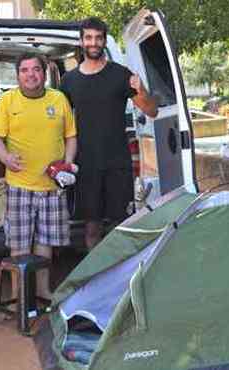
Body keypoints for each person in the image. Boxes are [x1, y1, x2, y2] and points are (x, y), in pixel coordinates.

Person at [60, 17, 158, 250]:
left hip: (117, 162)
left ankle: (121, 279)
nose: (93, 43)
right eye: (89, 38)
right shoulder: (69, 81)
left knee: (120, 224)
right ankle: (94, 278)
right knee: (92, 228)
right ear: (81, 41)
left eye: (98, 38)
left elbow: (151, 110)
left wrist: (141, 90)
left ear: (104, 41)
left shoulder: (121, 74)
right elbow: (59, 124)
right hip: (86, 164)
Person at [0, 54, 77, 301]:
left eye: (36, 69)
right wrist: (5, 158)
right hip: (19, 186)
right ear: (18, 75)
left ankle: (42, 290)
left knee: (45, 243)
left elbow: (71, 136)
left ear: (44, 73)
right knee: (19, 244)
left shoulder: (58, 99)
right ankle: (19, 296)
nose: (31, 74)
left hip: (52, 186)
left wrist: (68, 164)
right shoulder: (7, 101)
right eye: (25, 70)